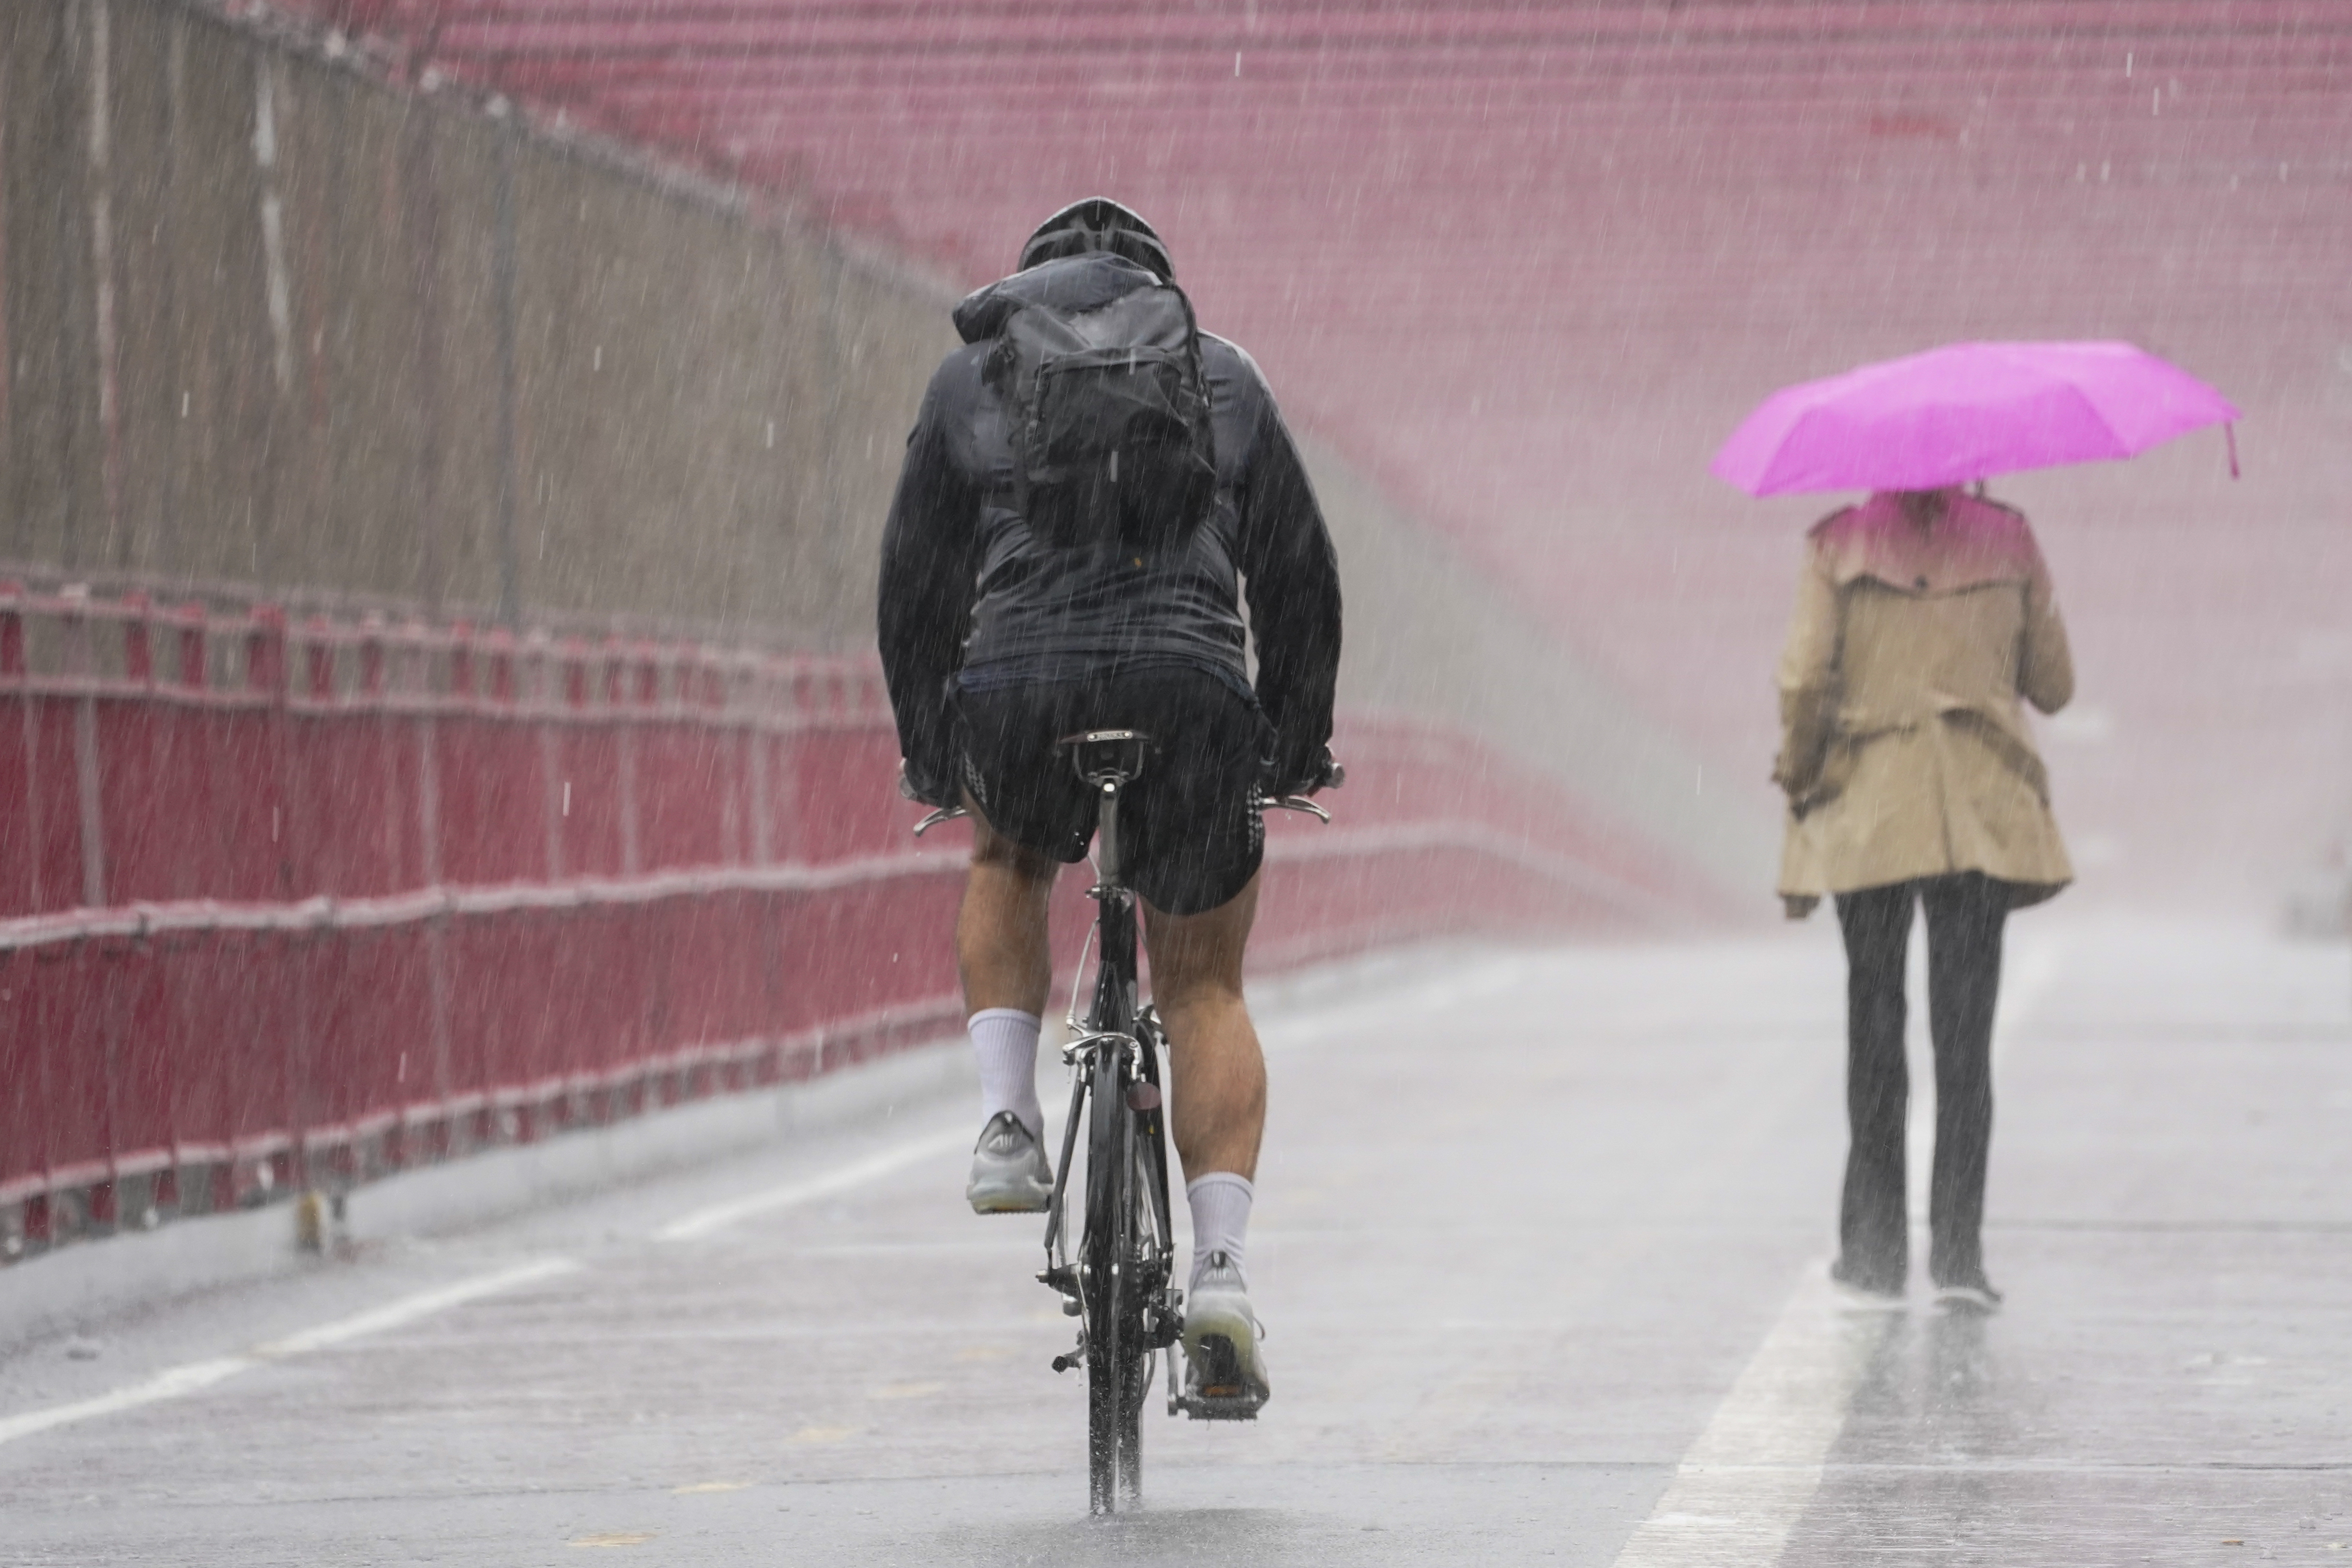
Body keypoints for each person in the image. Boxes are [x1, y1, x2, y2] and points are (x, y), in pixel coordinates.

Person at [876, 198, 1342, 1409]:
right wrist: (1291, 741)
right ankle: (1224, 1272)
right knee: (1204, 988)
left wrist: (935, 748)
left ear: (1031, 289)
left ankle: (1003, 1126)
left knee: (1008, 865)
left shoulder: (969, 378)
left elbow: (913, 585)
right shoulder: (1220, 375)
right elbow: (1299, 577)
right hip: (1187, 690)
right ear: (1155, 293)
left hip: (1022, 691)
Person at [1772, 485, 2074, 1315]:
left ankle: (1870, 1255)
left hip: (1869, 807)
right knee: (1963, 1037)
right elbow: (2053, 684)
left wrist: (1800, 773)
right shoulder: (2008, 537)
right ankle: (1957, 1258)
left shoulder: (1837, 541)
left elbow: (1803, 680)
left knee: (1874, 1022)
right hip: (1976, 813)